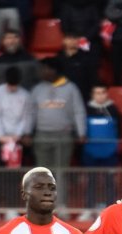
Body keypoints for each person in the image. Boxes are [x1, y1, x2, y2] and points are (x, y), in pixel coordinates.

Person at [31, 58, 86, 203]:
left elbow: (78, 111)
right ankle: (42, 204)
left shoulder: (71, 88)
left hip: (64, 135)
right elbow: (30, 112)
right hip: (42, 135)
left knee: (61, 173)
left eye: (45, 69)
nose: (42, 72)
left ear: (53, 70)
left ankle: (60, 204)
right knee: (42, 173)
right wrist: (27, 132)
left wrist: (81, 132)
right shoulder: (37, 89)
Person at [83, 85, 122, 210]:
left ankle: (111, 208)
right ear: (92, 95)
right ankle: (89, 208)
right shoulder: (86, 109)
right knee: (91, 181)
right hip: (90, 151)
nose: (100, 95)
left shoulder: (114, 109)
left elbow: (120, 130)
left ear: (107, 94)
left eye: (102, 92)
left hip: (109, 151)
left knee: (110, 181)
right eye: (97, 93)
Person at [0, 66, 33, 168]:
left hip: (18, 138)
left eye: (15, 85)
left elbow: (26, 117)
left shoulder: (25, 95)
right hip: (0, 138)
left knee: (18, 169)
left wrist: (18, 135)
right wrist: (1, 136)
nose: (13, 88)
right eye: (10, 84)